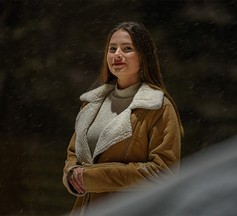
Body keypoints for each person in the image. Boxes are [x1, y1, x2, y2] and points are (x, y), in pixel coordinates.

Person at [62, 21, 184, 215]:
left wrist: (91, 177)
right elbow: (73, 154)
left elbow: (162, 173)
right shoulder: (92, 103)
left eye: (127, 48)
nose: (117, 54)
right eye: (112, 48)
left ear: (144, 56)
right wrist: (70, 174)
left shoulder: (158, 107)